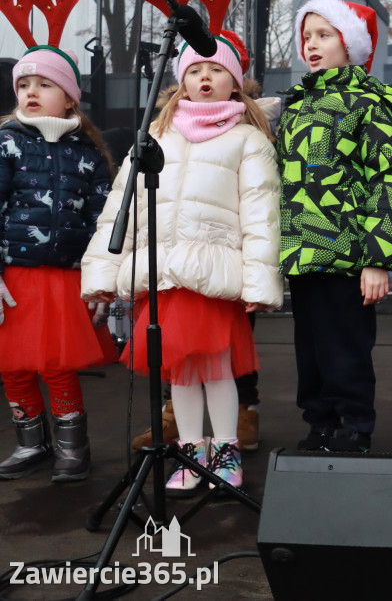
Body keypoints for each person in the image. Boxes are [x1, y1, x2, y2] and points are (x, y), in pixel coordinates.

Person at [81, 34, 283, 496]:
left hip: (212, 278)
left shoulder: (248, 140)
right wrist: (102, 272)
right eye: (194, 70)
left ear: (235, 82)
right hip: (163, 277)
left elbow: (262, 215)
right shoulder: (154, 137)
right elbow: (121, 209)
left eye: (215, 69)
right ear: (181, 81)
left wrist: (260, 282)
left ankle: (226, 456)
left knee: (216, 371)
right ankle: (191, 455)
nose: (204, 77)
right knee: (181, 376)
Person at [279, 0, 392, 453]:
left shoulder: (369, 103)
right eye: (307, 36)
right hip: (303, 252)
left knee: (345, 347)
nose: (312, 44)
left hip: (348, 254)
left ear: (350, 44)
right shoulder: (296, 106)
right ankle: (319, 422)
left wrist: (378, 261)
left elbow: (390, 179)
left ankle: (355, 425)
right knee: (310, 350)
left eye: (324, 35)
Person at [0, 24, 113, 482]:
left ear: (69, 99)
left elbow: (103, 221)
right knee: (12, 364)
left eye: (44, 84)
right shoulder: (6, 143)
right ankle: (31, 442)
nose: (31, 92)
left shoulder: (88, 153)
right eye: (24, 84)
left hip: (64, 279)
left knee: (56, 364)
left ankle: (72, 446)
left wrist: (104, 278)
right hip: (13, 277)